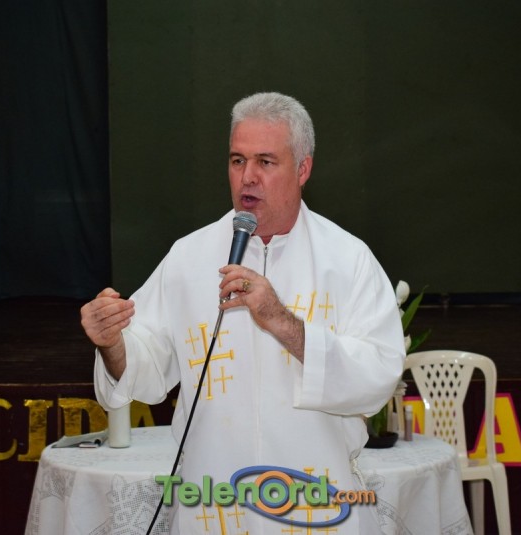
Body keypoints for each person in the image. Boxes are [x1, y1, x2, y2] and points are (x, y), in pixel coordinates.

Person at [80, 92, 405, 534]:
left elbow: (378, 376)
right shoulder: (189, 257)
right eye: (237, 160)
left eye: (265, 162)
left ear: (303, 169)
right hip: (211, 507)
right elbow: (145, 369)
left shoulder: (347, 260)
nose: (247, 177)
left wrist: (283, 323)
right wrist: (112, 343)